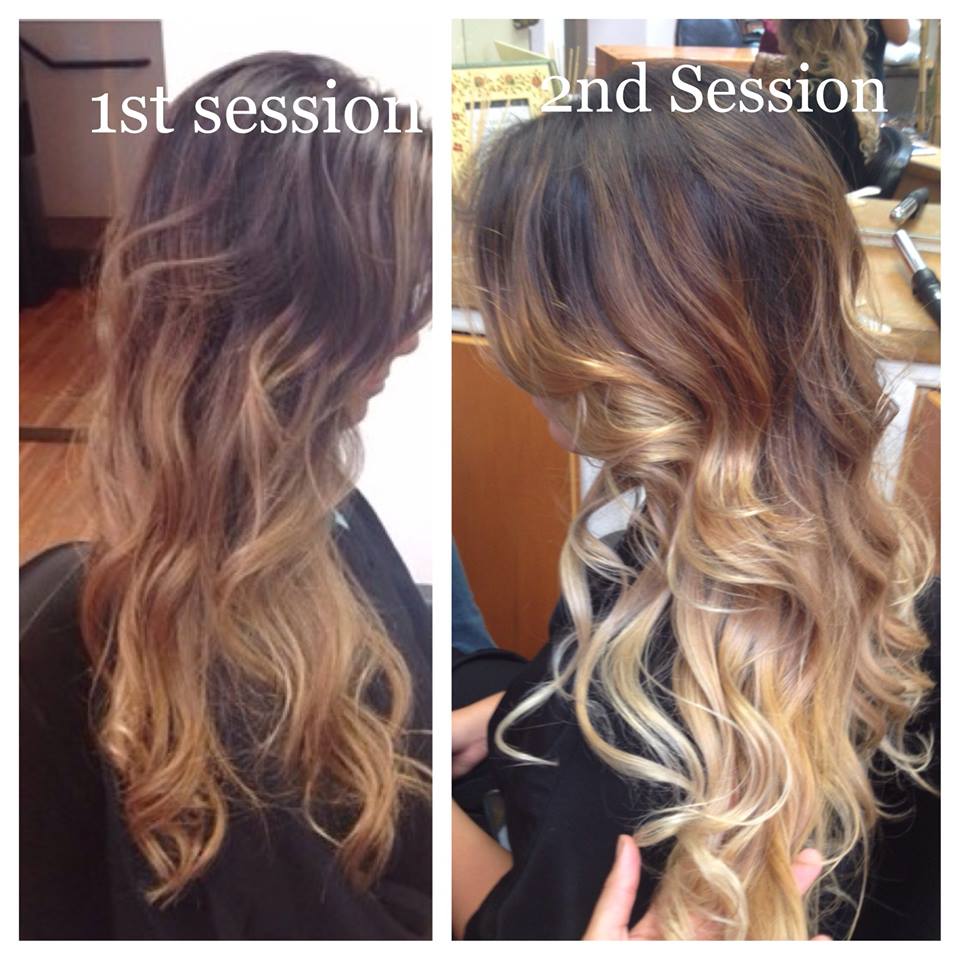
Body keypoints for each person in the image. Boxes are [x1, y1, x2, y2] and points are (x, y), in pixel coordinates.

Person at [452, 60, 938, 940]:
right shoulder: (897, 583)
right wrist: (525, 706)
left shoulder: (625, 745)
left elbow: (524, 927)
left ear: (601, 351)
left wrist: (408, 803)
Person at [20, 52, 433, 939]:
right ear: (305, 319)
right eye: (396, 295)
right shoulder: (184, 670)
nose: (412, 334)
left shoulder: (329, 509)